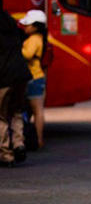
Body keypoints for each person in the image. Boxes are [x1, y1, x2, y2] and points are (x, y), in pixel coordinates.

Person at [0, 0, 32, 167]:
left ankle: (6, 154)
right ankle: (19, 144)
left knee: (1, 116)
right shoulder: (11, 22)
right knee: (17, 111)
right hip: (21, 74)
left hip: (3, 76)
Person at [19, 9, 48, 150]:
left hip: (33, 77)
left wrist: (16, 49)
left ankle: (38, 140)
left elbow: (27, 55)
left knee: (37, 111)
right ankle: (38, 139)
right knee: (37, 110)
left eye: (27, 25)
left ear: (36, 26)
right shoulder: (40, 38)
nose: (25, 27)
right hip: (38, 77)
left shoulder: (33, 40)